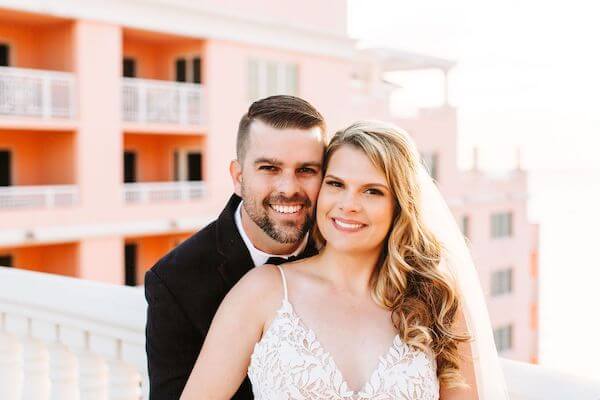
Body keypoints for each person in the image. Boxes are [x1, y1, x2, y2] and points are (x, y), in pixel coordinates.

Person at [181, 121, 509, 399]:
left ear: (400, 205)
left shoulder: (436, 301)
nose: (348, 204)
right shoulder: (262, 293)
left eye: (372, 191)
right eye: (336, 184)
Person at [144, 95, 328, 399]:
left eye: (306, 170)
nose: (289, 188)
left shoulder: (345, 252)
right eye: (270, 168)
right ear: (238, 177)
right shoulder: (175, 281)